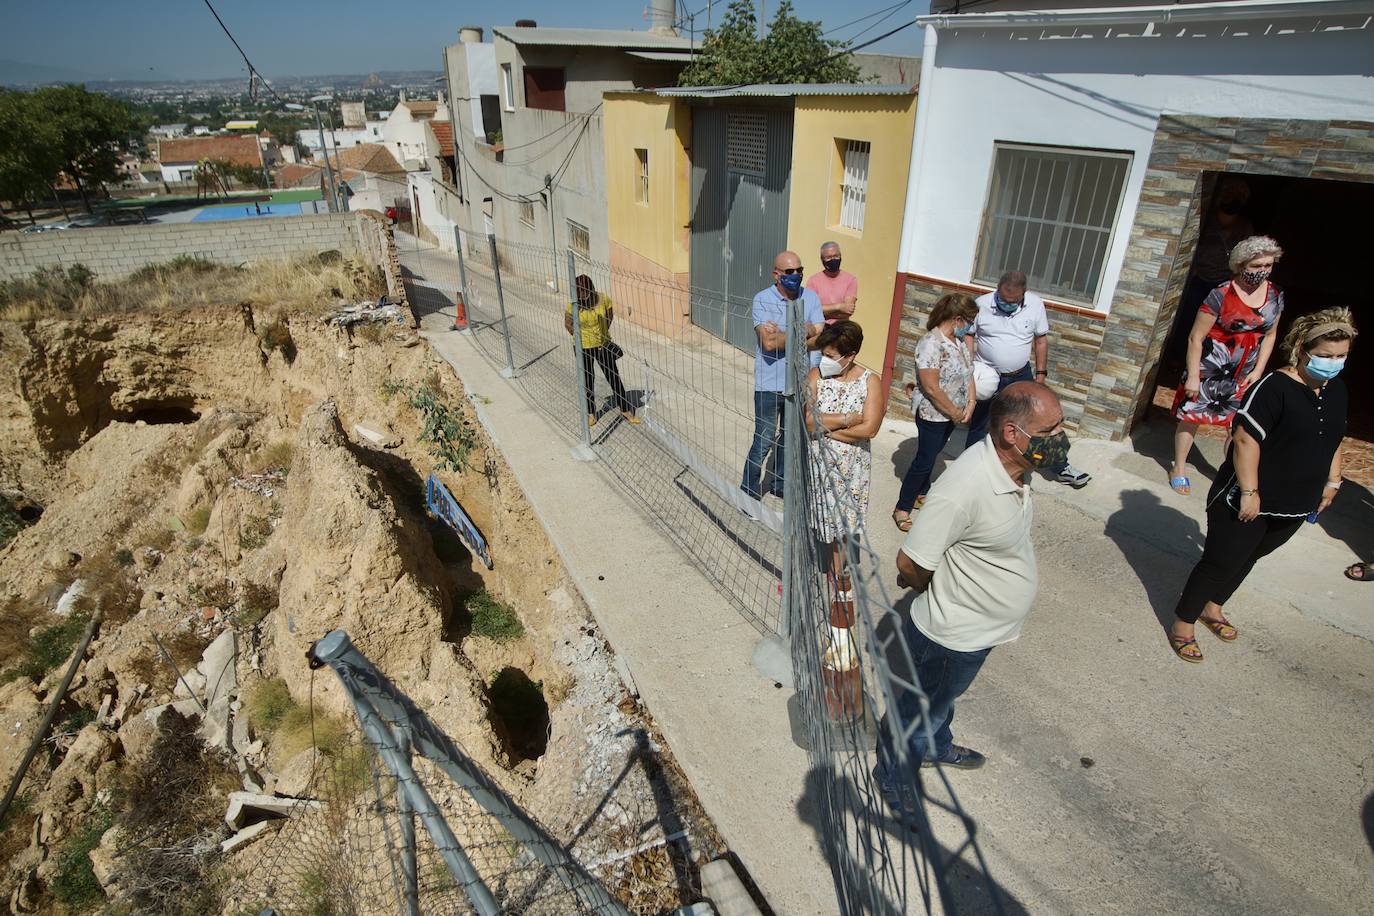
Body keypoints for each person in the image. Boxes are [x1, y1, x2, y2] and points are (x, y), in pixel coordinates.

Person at [876, 382, 1066, 789]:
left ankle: (934, 745)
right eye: (1050, 431)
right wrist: (925, 587)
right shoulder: (964, 487)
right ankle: (894, 782)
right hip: (951, 637)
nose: (1060, 441)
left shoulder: (1013, 468)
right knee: (917, 709)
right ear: (1012, 434)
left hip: (977, 631)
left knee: (941, 700)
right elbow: (909, 563)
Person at [1168, 307, 1356, 662]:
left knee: (1252, 555)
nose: (1334, 362)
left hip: (1297, 500)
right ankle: (1183, 624)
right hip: (1248, 497)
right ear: (1302, 349)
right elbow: (1244, 440)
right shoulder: (1273, 388)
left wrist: (1332, 481)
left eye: (1341, 356)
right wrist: (1250, 492)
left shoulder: (1337, 390)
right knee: (1220, 561)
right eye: (1325, 356)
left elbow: (1335, 437)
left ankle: (1213, 607)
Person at [1169, 235, 1285, 495]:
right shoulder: (1220, 294)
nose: (1263, 271)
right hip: (1211, 365)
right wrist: (1194, 376)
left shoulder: (1275, 295)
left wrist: (1258, 370)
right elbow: (1195, 337)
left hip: (1244, 371)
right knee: (1192, 417)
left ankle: (1228, 472)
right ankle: (1179, 467)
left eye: (1268, 265)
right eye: (1256, 266)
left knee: (1237, 425)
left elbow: (1270, 335)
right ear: (1241, 264)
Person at [963, 271, 1091, 488]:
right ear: (997, 289)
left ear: (1024, 294)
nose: (1007, 304)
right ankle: (968, 471)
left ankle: (1061, 467)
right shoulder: (981, 304)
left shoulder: (1035, 304)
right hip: (987, 376)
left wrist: (1040, 376)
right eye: (1003, 299)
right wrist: (970, 367)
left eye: (1013, 301)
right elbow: (969, 334)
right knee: (980, 424)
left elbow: (1041, 340)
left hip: (1020, 375)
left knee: (1038, 424)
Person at [892, 293, 979, 532]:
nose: (971, 327)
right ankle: (902, 506)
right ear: (958, 318)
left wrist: (970, 403)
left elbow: (968, 372)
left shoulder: (959, 342)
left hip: (953, 414)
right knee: (925, 459)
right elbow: (931, 387)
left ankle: (922, 492)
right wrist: (954, 412)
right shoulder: (931, 343)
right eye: (970, 321)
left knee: (934, 452)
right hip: (934, 413)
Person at [741, 250, 824, 501]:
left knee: (790, 439)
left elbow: (821, 335)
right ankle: (748, 490)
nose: (796, 275)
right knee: (764, 440)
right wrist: (804, 330)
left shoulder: (810, 297)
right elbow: (768, 344)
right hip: (769, 384)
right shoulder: (762, 300)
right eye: (790, 272)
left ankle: (779, 484)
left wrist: (786, 334)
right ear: (776, 274)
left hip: (800, 382)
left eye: (800, 270)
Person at [804, 320, 882, 572]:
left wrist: (826, 431)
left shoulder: (870, 382)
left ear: (850, 356)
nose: (824, 360)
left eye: (831, 356)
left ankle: (837, 575)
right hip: (819, 465)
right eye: (823, 354)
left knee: (844, 524)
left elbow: (869, 429)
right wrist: (847, 419)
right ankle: (812, 566)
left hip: (852, 467)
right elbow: (808, 422)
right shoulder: (815, 375)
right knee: (817, 517)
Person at [564, 274, 640, 428]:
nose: (583, 297)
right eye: (579, 293)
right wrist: (578, 337)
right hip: (582, 347)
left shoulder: (602, 299)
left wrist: (603, 333)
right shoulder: (572, 303)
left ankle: (625, 410)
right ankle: (591, 413)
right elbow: (568, 324)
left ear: (591, 289)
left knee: (613, 377)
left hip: (602, 345)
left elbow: (610, 315)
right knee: (587, 379)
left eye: (585, 293)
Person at [805, 241, 857, 325]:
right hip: (819, 330)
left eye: (836, 256)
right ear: (822, 259)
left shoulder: (851, 280)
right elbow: (811, 310)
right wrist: (839, 307)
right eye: (828, 257)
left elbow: (848, 311)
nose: (833, 259)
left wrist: (823, 311)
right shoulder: (813, 281)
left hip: (841, 330)